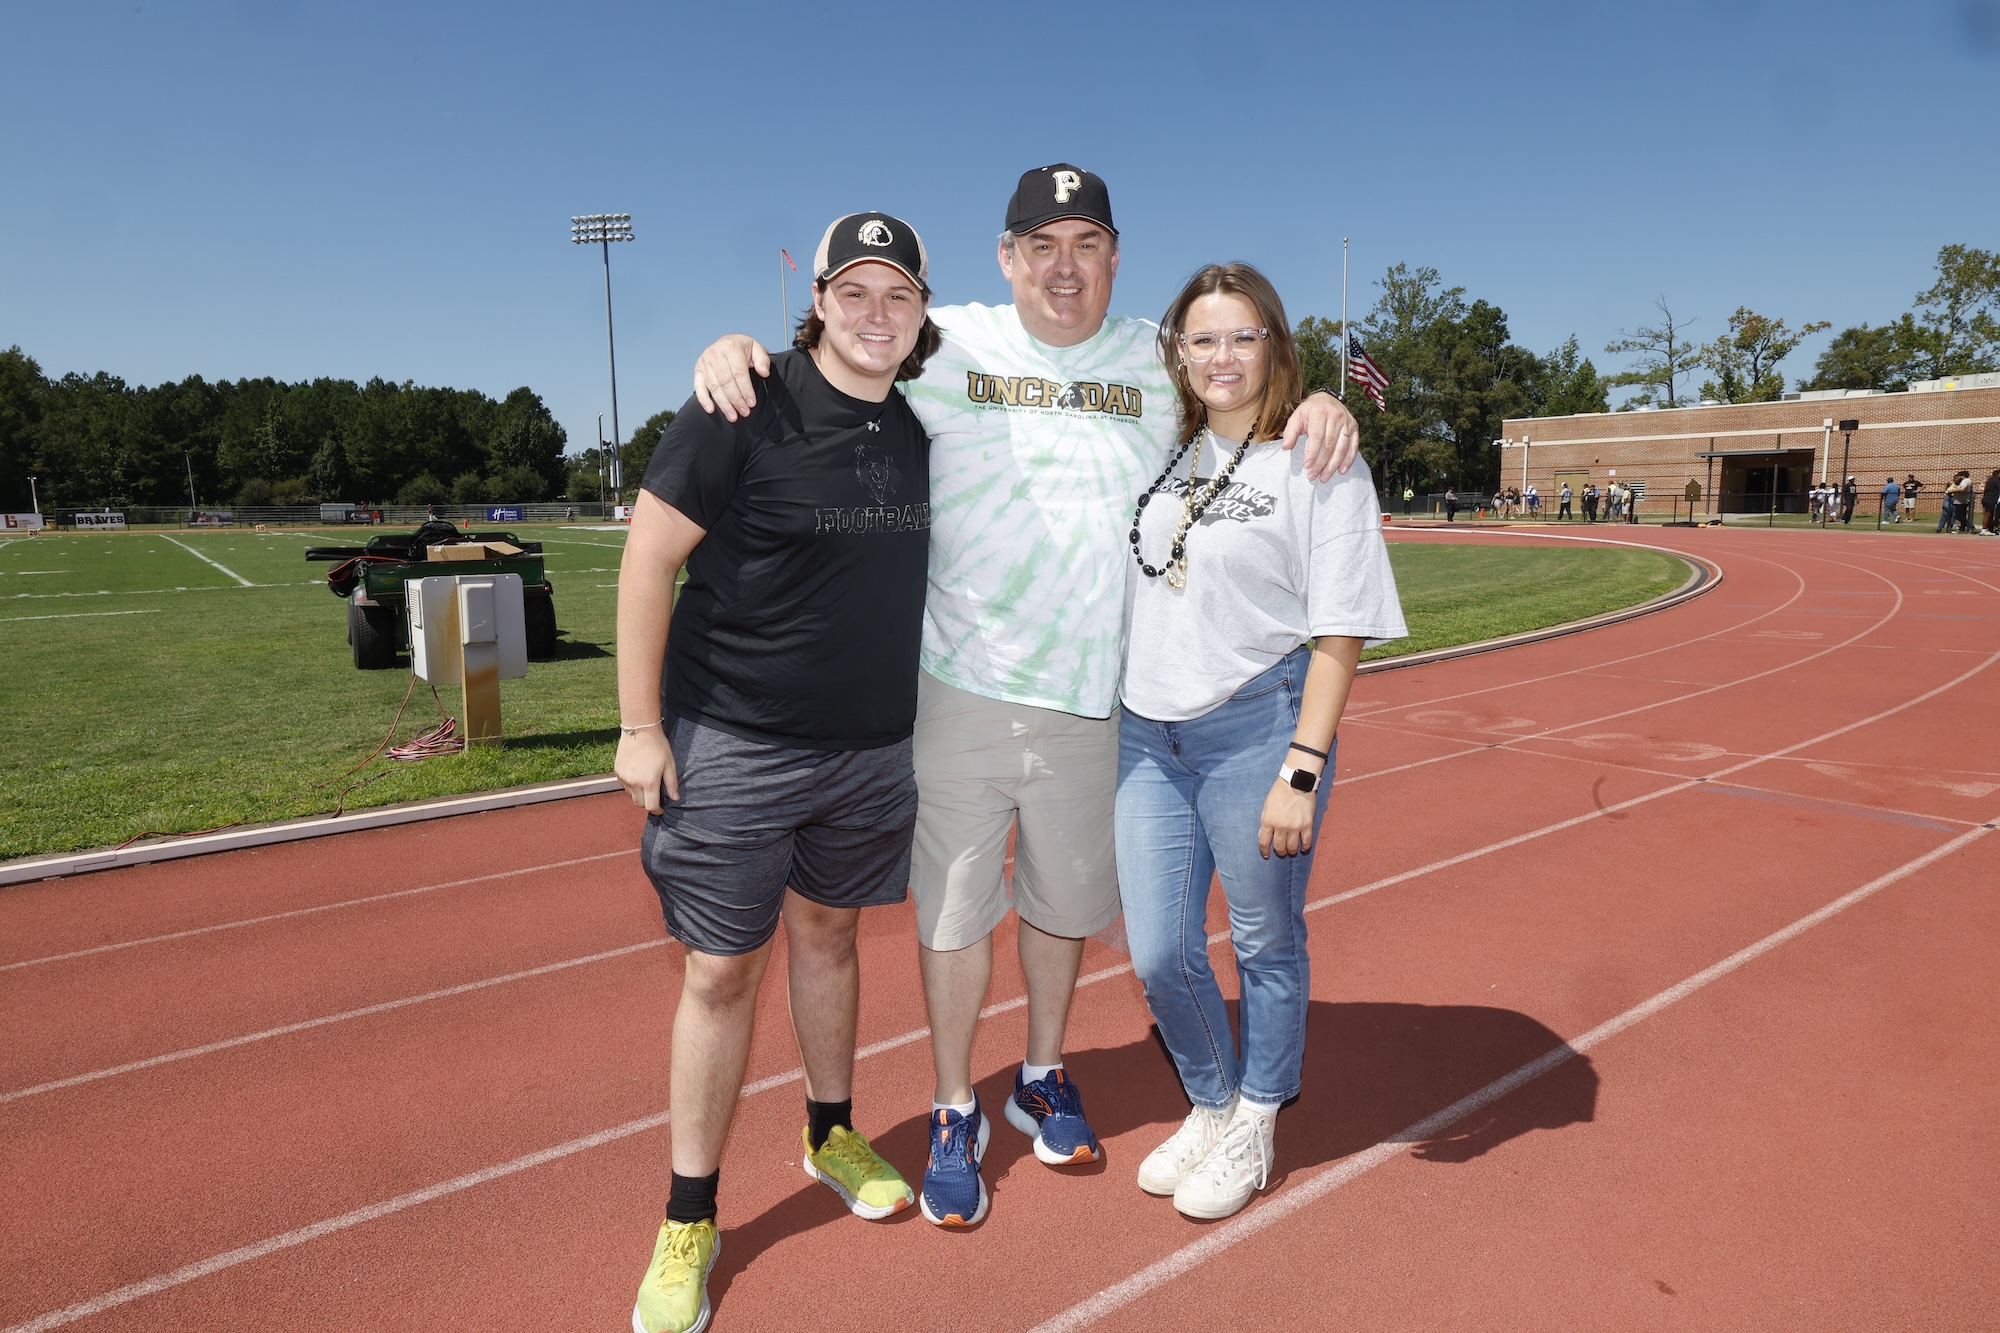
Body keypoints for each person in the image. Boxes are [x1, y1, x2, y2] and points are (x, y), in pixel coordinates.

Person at [690, 164, 1362, 1231]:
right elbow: (832, 354)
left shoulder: (1158, 353)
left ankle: (1042, 1071)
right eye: (1038, 245)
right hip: (959, 683)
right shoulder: (941, 343)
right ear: (1004, 259)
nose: (1062, 265)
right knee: (955, 914)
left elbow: (1245, 383)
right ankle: (955, 1103)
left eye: (1085, 243)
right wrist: (739, 353)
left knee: (1061, 905)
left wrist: (1321, 399)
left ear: (1112, 257)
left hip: (1101, 698)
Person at [617, 213, 940, 1333]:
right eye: (853, 292)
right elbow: (649, 559)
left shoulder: (923, 424)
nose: (873, 313)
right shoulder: (740, 401)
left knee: (832, 935)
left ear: (920, 313)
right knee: (718, 973)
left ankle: (828, 1131)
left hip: (869, 749)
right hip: (735, 740)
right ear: (816, 300)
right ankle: (688, 1216)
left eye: (895, 295)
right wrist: (637, 727)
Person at [1118, 263, 1406, 1221]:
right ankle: (1210, 1098)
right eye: (1202, 339)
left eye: (1243, 336)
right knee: (1160, 950)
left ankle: (1257, 1113)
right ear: (1179, 354)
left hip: (1259, 724)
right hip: (1147, 735)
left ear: (1275, 346)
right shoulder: (1163, 445)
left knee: (1264, 940)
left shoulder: (1317, 460)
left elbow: (1343, 628)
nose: (1222, 356)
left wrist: (1302, 767)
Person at [1982, 468, 2000, 535]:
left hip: (1986, 498)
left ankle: (1989, 529)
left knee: (1990, 514)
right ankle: (1984, 530)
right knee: (1988, 514)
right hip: (1991, 499)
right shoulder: (1996, 481)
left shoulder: (1989, 481)